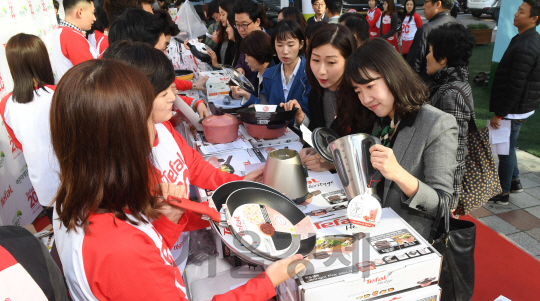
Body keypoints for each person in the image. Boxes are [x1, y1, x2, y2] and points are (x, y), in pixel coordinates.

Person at [51, 59, 310, 301]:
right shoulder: (121, 251)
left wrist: (168, 222)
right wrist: (269, 281)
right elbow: (140, 262)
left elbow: (151, 258)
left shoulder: (79, 199)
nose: (156, 130)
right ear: (120, 142)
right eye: (145, 118)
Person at [102, 41, 263, 269]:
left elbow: (193, 165)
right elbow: (141, 260)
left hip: (178, 248)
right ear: (133, 96)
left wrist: (236, 185)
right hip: (159, 263)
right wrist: (181, 221)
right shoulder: (123, 169)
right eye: (164, 91)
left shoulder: (163, 128)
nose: (173, 96)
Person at [343, 38, 458, 240]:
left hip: (409, 237)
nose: (365, 99)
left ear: (392, 75)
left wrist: (398, 174)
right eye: (358, 91)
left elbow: (444, 204)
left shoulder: (437, 123)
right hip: (370, 229)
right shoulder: (381, 121)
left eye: (370, 86)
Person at [0, 34, 60, 211]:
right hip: (71, 180)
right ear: (42, 59)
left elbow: (20, 144)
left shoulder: (6, 105)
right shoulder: (57, 93)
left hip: (43, 186)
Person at [489, 0, 540, 205]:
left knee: (504, 150)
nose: (516, 14)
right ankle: (515, 181)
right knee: (509, 146)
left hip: (513, 109)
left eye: (522, 12)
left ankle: (503, 193)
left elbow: (515, 85)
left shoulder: (527, 44)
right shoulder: (523, 38)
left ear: (534, 18)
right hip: (518, 107)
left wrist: (499, 114)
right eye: (518, 10)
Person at [293, 24, 359, 172]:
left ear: (349, 60)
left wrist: (334, 163)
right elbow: (318, 132)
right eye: (315, 60)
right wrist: (310, 148)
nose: (321, 71)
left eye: (331, 62)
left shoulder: (361, 98)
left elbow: (368, 149)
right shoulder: (316, 94)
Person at [426, 23, 476, 210]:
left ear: (443, 59)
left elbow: (455, 149)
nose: (426, 56)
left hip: (442, 187)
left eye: (430, 51)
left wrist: (451, 199)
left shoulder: (451, 93)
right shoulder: (446, 84)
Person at [234, 20, 310, 119]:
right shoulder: (269, 74)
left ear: (301, 44)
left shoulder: (310, 75)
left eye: (290, 45)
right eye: (279, 45)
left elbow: (311, 117)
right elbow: (265, 106)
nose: (285, 51)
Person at [406, 0, 458, 83]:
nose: (423, 6)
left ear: (438, 4)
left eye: (426, 2)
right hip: (456, 86)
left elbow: (413, 65)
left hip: (428, 88)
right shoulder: (462, 27)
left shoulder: (426, 30)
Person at [51, 0, 97, 83]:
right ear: (80, 12)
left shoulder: (60, 32)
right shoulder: (71, 37)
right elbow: (92, 75)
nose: (94, 18)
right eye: (92, 13)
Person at [230, 31, 275, 100]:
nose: (245, 60)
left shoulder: (273, 77)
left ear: (258, 53)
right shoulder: (257, 72)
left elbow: (266, 106)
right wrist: (236, 91)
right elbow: (251, 92)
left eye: (247, 55)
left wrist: (247, 95)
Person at [233, 0, 272, 80]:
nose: (240, 30)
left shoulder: (269, 42)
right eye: (237, 25)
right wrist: (239, 67)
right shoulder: (246, 37)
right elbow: (241, 61)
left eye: (244, 25)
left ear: (257, 21)